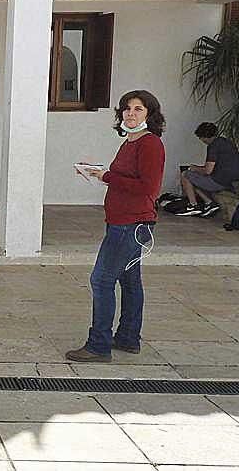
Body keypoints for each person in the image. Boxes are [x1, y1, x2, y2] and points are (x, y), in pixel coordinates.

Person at [66, 90, 166, 363]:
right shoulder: (130, 143)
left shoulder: (150, 144)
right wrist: (96, 173)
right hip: (123, 222)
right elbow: (123, 178)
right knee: (129, 280)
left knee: (101, 279)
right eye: (127, 108)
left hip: (131, 224)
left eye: (138, 109)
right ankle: (127, 338)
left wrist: (107, 176)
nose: (131, 114)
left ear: (150, 115)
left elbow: (149, 188)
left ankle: (98, 345)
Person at [176, 122, 239, 217]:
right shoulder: (226, 142)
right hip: (232, 180)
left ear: (205, 137)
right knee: (195, 179)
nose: (201, 140)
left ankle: (193, 206)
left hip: (220, 182)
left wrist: (193, 168)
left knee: (185, 175)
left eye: (201, 137)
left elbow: (207, 171)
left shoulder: (213, 146)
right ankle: (209, 203)